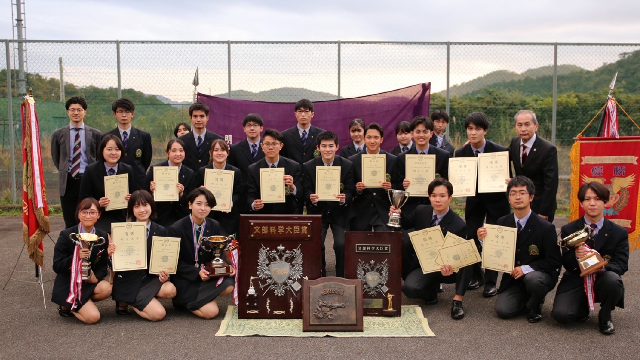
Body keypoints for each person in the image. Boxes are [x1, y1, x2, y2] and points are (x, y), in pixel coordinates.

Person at [478, 176, 561, 323]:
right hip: (513, 278)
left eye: (522, 193)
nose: (517, 197)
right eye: (513, 193)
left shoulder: (545, 227)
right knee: (503, 311)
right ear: (508, 198)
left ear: (531, 197)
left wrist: (527, 268)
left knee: (533, 280)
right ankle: (527, 299)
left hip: (538, 275)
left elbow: (554, 261)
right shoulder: (503, 222)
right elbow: (496, 253)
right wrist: (483, 239)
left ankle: (535, 303)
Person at [551, 182, 629, 335]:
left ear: (605, 202)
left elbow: (621, 264)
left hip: (603, 279)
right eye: (587, 199)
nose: (592, 203)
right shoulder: (569, 229)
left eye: (597, 199)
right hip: (576, 278)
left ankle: (605, 315)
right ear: (581, 202)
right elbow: (566, 263)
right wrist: (575, 255)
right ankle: (582, 307)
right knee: (562, 315)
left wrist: (603, 267)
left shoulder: (619, 232)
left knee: (612, 279)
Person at [391, 178, 472, 319]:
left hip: (447, 267)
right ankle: (430, 293)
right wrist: (398, 213)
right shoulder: (421, 210)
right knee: (410, 289)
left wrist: (450, 267)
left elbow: (457, 256)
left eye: (442, 196)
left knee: (468, 256)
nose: (437, 200)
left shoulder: (459, 225)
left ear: (450, 198)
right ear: (429, 197)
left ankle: (458, 300)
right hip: (425, 263)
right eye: (434, 196)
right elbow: (407, 222)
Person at [454, 112, 511, 297]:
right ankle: (476, 276)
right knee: (471, 237)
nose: (473, 133)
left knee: (493, 240)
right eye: (470, 129)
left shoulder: (500, 151)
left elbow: (508, 176)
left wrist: (508, 181)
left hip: (497, 202)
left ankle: (491, 282)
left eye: (477, 129)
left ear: (485, 131)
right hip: (474, 203)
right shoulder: (461, 152)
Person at [107, 190, 177, 320]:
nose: (142, 210)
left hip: (149, 279)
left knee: (170, 289)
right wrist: (111, 256)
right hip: (129, 280)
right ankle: (130, 299)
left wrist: (164, 273)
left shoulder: (161, 230)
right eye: (136, 206)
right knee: (158, 315)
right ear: (131, 210)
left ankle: (130, 300)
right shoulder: (122, 230)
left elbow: (163, 258)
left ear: (151, 206)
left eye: (145, 205)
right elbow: (114, 264)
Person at [168, 188, 235, 319]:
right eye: (198, 204)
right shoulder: (176, 228)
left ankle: (195, 299)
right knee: (211, 313)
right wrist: (196, 272)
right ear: (190, 204)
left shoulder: (214, 225)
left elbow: (217, 253)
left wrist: (226, 266)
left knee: (228, 284)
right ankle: (184, 300)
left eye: (207, 205)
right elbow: (173, 262)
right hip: (185, 278)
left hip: (206, 275)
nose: (203, 208)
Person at [302, 131, 355, 277]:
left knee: (341, 244)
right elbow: (306, 191)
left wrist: (345, 198)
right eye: (324, 146)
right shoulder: (309, 166)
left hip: (340, 212)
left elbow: (351, 190)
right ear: (318, 148)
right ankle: (320, 275)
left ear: (337, 147)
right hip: (318, 212)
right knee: (317, 244)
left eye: (331, 146)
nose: (327, 150)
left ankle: (341, 276)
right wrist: (310, 198)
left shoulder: (347, 165)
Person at [51, 198, 111, 324]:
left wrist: (96, 278)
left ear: (99, 215)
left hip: (87, 282)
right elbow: (57, 266)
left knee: (106, 288)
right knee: (93, 317)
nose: (88, 216)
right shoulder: (66, 235)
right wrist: (75, 257)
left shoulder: (103, 236)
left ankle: (73, 303)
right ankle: (67, 304)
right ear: (78, 214)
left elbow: (103, 265)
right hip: (69, 283)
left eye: (92, 212)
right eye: (84, 212)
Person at [51, 97, 103, 228]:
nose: (76, 113)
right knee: (70, 220)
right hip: (68, 181)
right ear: (68, 112)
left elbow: (99, 157)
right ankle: (72, 248)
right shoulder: (58, 134)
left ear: (85, 111)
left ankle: (89, 247)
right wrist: (66, 170)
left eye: (79, 110)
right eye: (72, 109)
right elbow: (56, 158)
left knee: (89, 217)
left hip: (88, 180)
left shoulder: (96, 134)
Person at [78, 135, 136, 233]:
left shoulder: (127, 169)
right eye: (109, 149)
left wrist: (130, 199)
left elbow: (133, 193)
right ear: (102, 150)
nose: (113, 153)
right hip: (99, 218)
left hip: (120, 217)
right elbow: (83, 198)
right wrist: (97, 204)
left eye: (117, 149)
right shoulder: (91, 170)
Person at [508, 110, 559, 222]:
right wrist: (476, 143)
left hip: (539, 205)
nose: (523, 129)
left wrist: (544, 211)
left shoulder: (548, 149)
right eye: (519, 125)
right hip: (520, 204)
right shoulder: (515, 142)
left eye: (527, 124)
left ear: (536, 126)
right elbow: (501, 156)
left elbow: (551, 184)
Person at [395, 116, 450, 215]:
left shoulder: (443, 155)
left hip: (434, 208)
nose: (421, 135)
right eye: (418, 131)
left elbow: (447, 182)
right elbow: (397, 185)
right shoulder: (402, 157)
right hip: (410, 209)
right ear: (412, 134)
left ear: (431, 134)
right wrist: (403, 185)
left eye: (425, 132)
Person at [348, 123, 398, 231]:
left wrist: (390, 188)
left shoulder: (392, 160)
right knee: (360, 245)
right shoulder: (353, 160)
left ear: (382, 139)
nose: (372, 141)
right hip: (361, 210)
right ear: (364, 138)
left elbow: (398, 185)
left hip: (383, 210)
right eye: (369, 137)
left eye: (376, 137)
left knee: (384, 243)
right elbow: (349, 187)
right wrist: (358, 189)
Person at [246, 129, 303, 215]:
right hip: (263, 215)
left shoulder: (293, 166)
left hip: (287, 215)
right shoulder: (253, 169)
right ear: (262, 146)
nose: (271, 147)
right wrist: (254, 204)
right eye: (267, 144)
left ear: (281, 146)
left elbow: (300, 194)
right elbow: (250, 195)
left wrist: (292, 187)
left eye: (274, 144)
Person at [194, 139, 243, 236]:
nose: (219, 153)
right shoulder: (203, 171)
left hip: (228, 218)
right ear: (210, 153)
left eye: (223, 150)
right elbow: (194, 194)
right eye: (216, 150)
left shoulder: (235, 172)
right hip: (207, 216)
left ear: (227, 153)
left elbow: (238, 193)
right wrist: (200, 191)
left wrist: (231, 202)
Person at [144, 139, 196, 227]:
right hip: (159, 217)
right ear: (167, 153)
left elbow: (191, 199)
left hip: (181, 218)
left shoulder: (190, 173)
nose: (178, 154)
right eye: (174, 151)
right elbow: (144, 193)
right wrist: (152, 192)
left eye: (181, 150)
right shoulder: (156, 170)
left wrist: (181, 194)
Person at [105, 98, 152, 191]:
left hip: (138, 180)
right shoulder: (107, 137)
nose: (124, 115)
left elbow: (146, 160)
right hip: (115, 180)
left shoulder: (144, 136)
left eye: (127, 111)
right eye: (120, 111)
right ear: (114, 114)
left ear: (132, 114)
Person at [227, 113, 264, 214]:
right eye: (249, 125)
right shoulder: (235, 149)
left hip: (264, 197)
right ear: (244, 128)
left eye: (255, 125)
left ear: (261, 128)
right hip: (242, 198)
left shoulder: (269, 148)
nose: (252, 128)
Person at [280, 99, 325, 168]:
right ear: (295, 114)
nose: (303, 114)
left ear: (312, 114)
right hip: (293, 176)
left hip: (313, 175)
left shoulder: (321, 134)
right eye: (300, 111)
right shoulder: (285, 135)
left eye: (306, 111)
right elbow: (282, 158)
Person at [178, 102, 223, 172]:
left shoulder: (217, 139)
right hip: (188, 181)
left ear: (207, 118)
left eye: (202, 116)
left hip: (210, 181)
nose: (198, 120)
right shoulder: (181, 141)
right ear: (190, 118)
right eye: (195, 116)